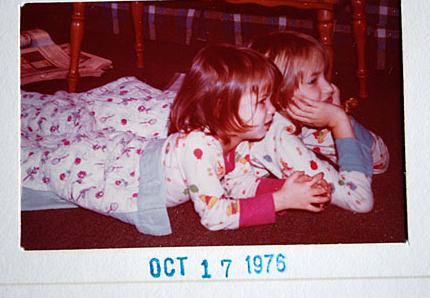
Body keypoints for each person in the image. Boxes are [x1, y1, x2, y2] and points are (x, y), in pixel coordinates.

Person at [21, 43, 331, 235]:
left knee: (65, 138)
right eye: (262, 101)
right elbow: (214, 215)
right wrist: (281, 201)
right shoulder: (201, 146)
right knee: (41, 162)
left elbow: (237, 184)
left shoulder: (234, 138)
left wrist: (286, 189)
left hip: (138, 151)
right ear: (223, 107)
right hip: (126, 173)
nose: (272, 109)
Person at [247, 31, 389, 213]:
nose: (329, 87)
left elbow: (380, 161)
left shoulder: (297, 117)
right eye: (313, 81)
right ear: (279, 93)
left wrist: (343, 121)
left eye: (325, 76)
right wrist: (339, 124)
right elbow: (359, 201)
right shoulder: (278, 137)